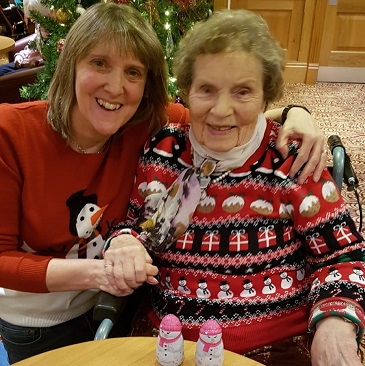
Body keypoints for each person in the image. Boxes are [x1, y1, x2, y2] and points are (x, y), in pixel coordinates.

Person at [0, 2, 326, 364]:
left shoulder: (142, 123)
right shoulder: (11, 133)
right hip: (42, 320)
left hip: (117, 304)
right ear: (71, 63)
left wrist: (297, 114)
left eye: (133, 72)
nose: (116, 86)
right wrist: (111, 266)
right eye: (98, 63)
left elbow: (220, 120)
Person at [104, 9, 365, 366]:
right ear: (187, 91)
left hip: (277, 346)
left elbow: (344, 256)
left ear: (265, 97)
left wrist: (336, 321)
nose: (221, 110)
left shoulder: (292, 156)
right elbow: (138, 229)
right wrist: (123, 242)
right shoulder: (163, 150)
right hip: (168, 341)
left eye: (243, 91)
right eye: (206, 89)